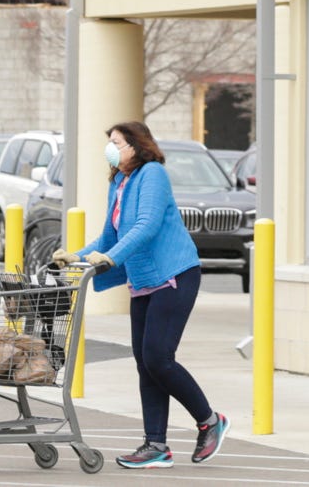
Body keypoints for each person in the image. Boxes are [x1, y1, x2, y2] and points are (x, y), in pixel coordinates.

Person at [55, 121, 226, 470]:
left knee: (158, 357)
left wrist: (113, 258)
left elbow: (146, 225)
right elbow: (109, 235)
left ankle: (210, 421)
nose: (112, 149)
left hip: (174, 275)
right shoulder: (120, 182)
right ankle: (156, 445)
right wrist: (78, 255)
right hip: (144, 281)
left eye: (117, 142)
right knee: (145, 363)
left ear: (137, 145)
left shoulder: (153, 174)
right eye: (110, 143)